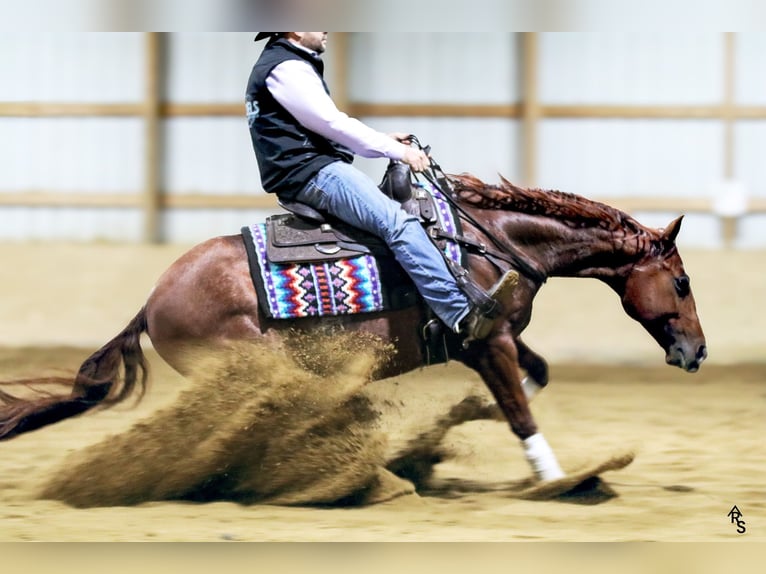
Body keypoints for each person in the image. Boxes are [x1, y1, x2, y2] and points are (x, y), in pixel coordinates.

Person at [246, 32, 515, 342]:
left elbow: (319, 126)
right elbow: (333, 124)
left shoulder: (283, 62)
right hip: (314, 173)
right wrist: (399, 152)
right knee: (398, 224)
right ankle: (460, 315)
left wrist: (383, 140)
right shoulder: (287, 68)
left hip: (306, 169)